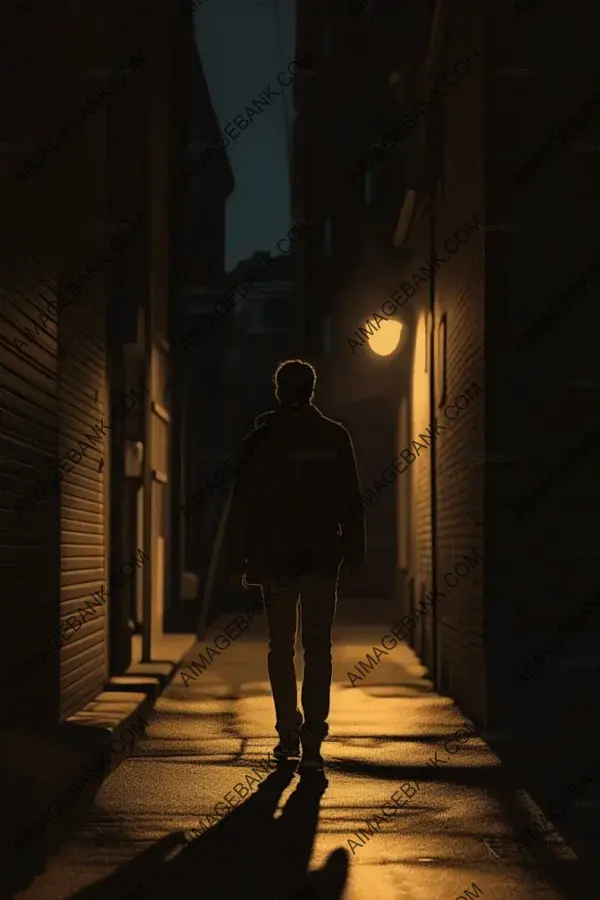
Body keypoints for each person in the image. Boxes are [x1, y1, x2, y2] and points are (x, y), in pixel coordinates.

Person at [224, 359, 366, 773]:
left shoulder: (261, 440)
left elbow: (243, 506)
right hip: (322, 558)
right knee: (318, 649)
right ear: (312, 390)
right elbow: (352, 502)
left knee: (281, 648)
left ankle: (288, 732)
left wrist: (238, 559)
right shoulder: (334, 437)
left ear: (278, 391)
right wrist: (354, 555)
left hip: (275, 559)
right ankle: (313, 742)